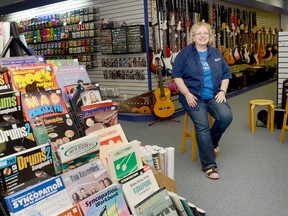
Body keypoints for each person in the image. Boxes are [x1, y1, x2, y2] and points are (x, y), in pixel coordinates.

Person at [172, 22, 233, 180]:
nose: (202, 36)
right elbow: (177, 75)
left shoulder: (215, 53)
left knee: (226, 116)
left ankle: (210, 143)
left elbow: (226, 75)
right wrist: (186, 94)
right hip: (192, 96)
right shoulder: (185, 53)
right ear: (193, 37)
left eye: (205, 33)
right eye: (198, 33)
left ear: (209, 36)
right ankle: (209, 165)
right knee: (203, 126)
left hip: (213, 94)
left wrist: (222, 91)